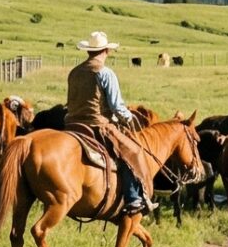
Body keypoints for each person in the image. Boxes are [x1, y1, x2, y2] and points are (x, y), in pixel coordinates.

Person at [61, 31, 157, 216]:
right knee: (133, 151)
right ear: (106, 51)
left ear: (89, 51)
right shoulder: (105, 73)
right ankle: (133, 199)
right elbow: (117, 107)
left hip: (72, 125)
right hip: (97, 125)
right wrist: (130, 119)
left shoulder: (74, 72)